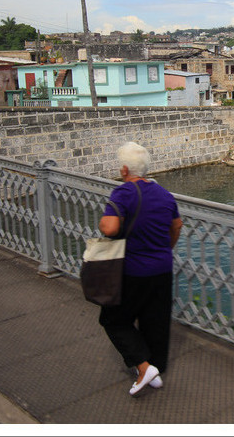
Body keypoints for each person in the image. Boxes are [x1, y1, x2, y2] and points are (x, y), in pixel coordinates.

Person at [98, 142, 183, 397]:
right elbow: (177, 226)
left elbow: (110, 229)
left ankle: (144, 368)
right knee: (154, 320)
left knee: (113, 320)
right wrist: (165, 249)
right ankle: (155, 370)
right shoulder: (164, 194)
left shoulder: (123, 193)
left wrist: (103, 222)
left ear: (124, 169)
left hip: (132, 269)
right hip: (162, 268)